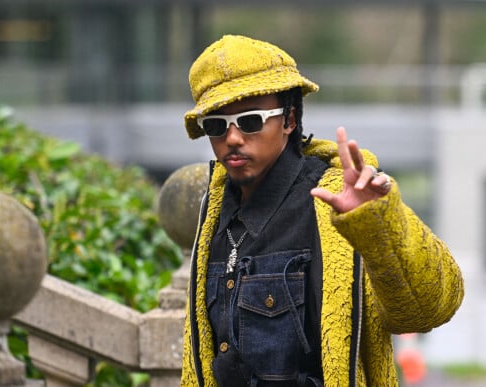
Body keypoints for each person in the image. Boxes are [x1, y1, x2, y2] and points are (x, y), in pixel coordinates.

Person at [180, 34, 464, 387]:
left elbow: (431, 307)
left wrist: (379, 227)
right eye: (217, 125)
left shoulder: (339, 201)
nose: (233, 138)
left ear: (289, 119)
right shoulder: (213, 210)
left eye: (251, 121)